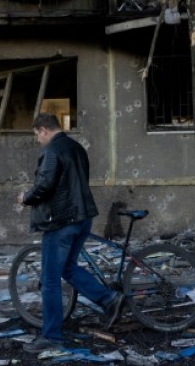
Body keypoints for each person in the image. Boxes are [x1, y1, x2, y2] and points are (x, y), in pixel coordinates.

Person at [17, 113, 124, 353]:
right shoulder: (76, 147)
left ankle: (52, 336)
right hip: (82, 216)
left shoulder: (53, 150)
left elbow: (45, 185)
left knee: (51, 280)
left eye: (36, 134)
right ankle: (109, 299)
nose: (37, 140)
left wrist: (26, 197)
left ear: (44, 129)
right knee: (67, 267)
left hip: (61, 221)